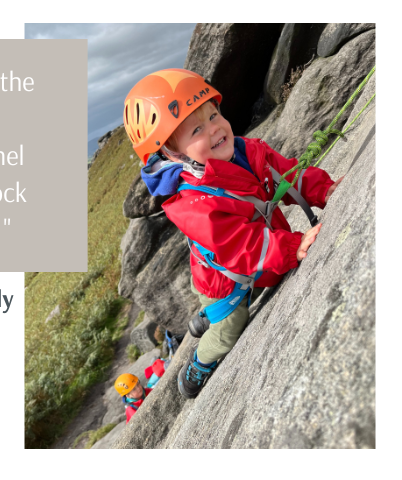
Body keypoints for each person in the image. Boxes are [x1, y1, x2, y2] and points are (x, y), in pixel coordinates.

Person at [123, 69, 342, 399]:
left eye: (213, 114)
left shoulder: (247, 152)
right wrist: (294, 246)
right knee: (228, 328)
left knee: (253, 288)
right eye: (197, 129)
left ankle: (202, 318)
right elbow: (240, 246)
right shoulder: (193, 203)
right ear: (172, 153)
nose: (214, 129)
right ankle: (199, 361)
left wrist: (324, 189)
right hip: (226, 280)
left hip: (260, 256)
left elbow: (288, 176)